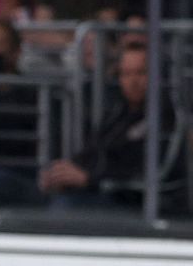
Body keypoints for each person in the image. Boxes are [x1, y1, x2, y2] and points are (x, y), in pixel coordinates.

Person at [38, 41, 161, 207]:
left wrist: (89, 179)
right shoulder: (116, 113)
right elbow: (93, 150)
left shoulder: (165, 119)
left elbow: (140, 173)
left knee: (64, 206)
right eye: (126, 74)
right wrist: (61, 173)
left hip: (126, 202)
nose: (133, 81)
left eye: (140, 73)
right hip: (93, 190)